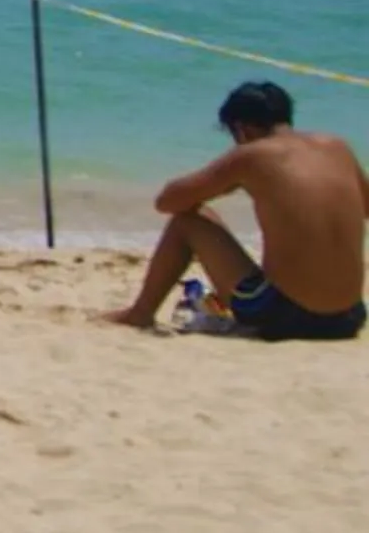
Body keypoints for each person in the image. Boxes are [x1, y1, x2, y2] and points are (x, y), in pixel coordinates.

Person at [103, 80, 367, 339]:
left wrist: (225, 182)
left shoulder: (252, 155)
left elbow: (167, 202)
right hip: (348, 317)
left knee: (188, 220)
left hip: (289, 315)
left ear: (242, 130)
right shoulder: (337, 146)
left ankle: (140, 313)